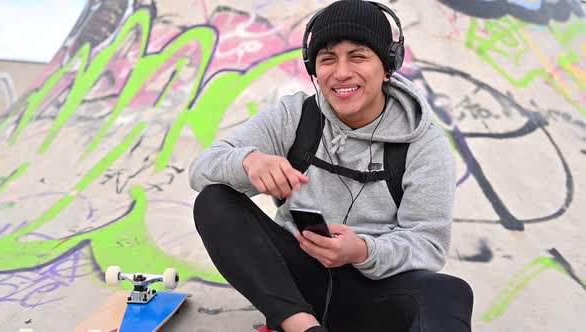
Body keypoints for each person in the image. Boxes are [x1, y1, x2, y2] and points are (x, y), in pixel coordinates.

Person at [189, 1, 473, 331]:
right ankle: (302, 327)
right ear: (313, 69)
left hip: (376, 293)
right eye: (327, 59)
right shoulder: (293, 116)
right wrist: (248, 161)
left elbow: (428, 244)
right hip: (298, 287)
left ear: (388, 65)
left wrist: (363, 251)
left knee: (452, 293)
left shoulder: (424, 143)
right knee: (213, 201)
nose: (341, 73)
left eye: (358, 56)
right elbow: (202, 169)